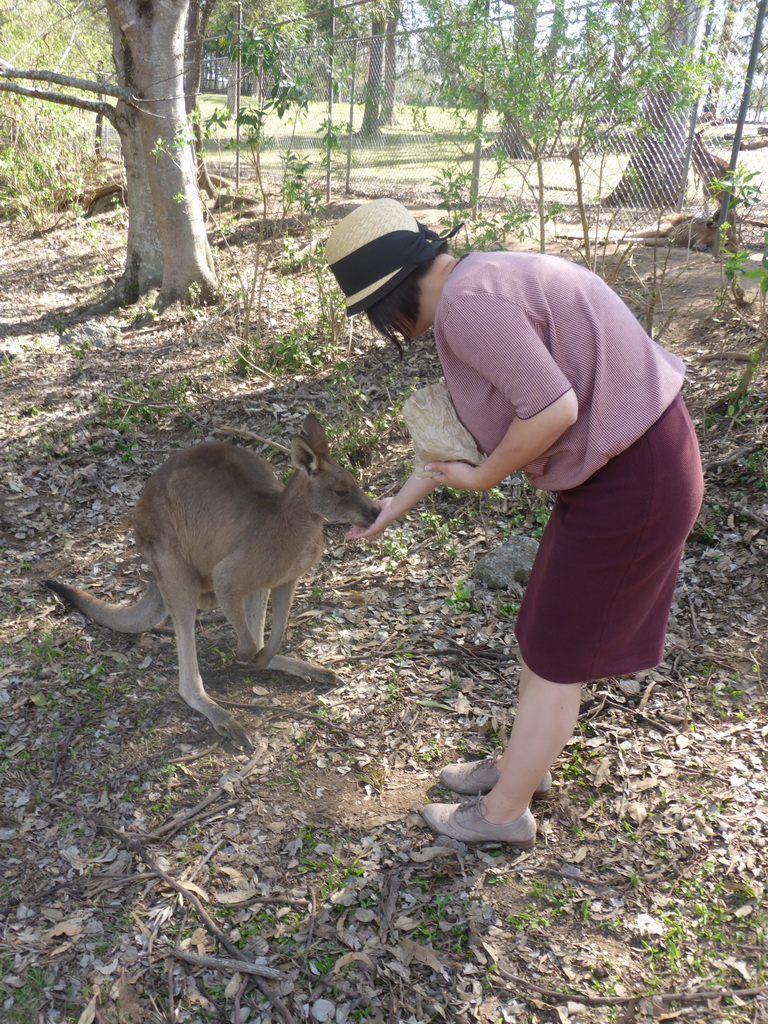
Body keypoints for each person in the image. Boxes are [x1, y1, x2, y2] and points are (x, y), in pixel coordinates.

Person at [325, 198, 704, 849]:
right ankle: (521, 765)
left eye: (376, 317)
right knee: (543, 631)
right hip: (627, 464)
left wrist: (487, 476)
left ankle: (506, 814)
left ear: (394, 297)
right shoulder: (479, 280)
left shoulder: (470, 307)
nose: (383, 331)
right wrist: (391, 509)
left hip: (636, 477)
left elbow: (553, 409)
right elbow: (454, 435)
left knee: (559, 654)